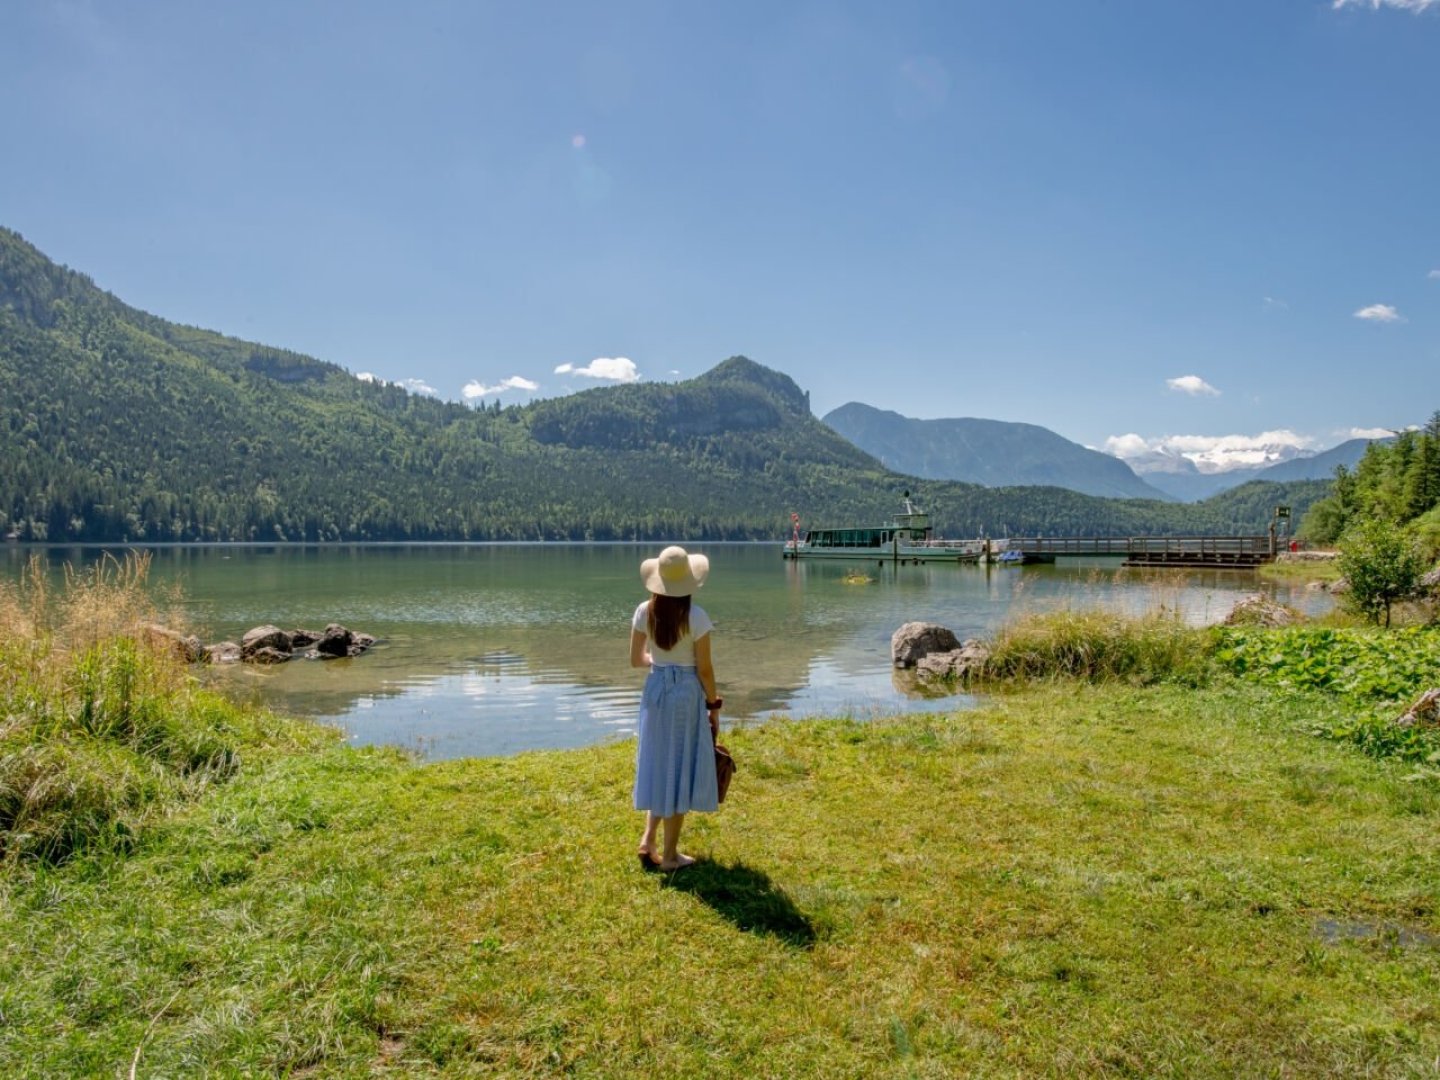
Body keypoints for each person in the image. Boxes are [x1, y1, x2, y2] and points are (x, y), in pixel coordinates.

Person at [630, 545, 722, 872]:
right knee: (679, 766)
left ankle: (648, 839)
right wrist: (714, 706)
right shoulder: (696, 617)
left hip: (655, 690)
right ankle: (669, 856)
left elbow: (635, 660)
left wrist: (659, 662)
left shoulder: (644, 612)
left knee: (658, 762)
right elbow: (705, 669)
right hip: (685, 693)